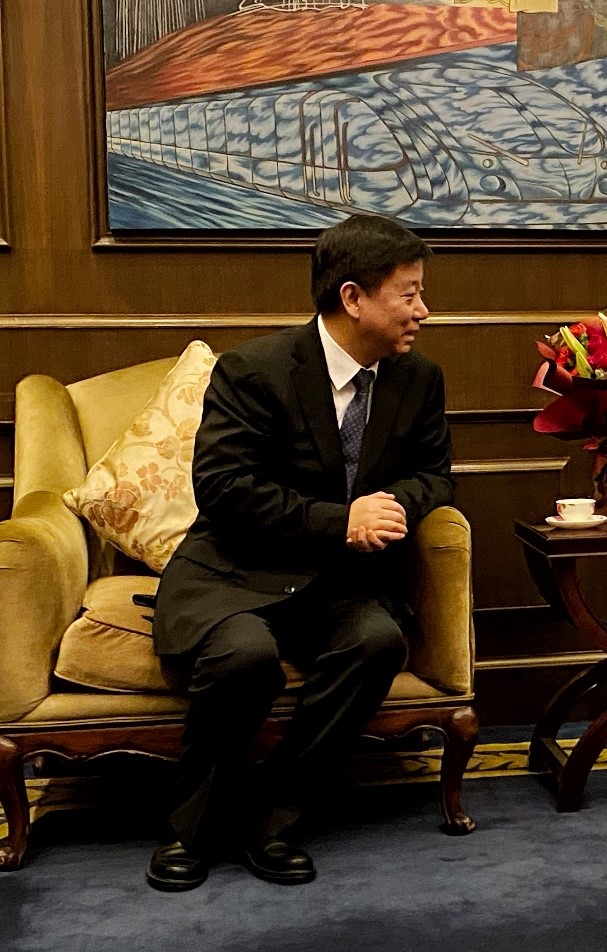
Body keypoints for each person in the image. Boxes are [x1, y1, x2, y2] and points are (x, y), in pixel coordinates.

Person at [146, 214, 454, 890]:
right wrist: (341, 521)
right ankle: (192, 830)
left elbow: (435, 475)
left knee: (376, 642)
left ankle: (271, 817)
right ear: (353, 298)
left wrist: (391, 505)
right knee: (245, 657)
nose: (423, 311)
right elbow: (224, 489)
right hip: (235, 571)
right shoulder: (254, 370)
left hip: (336, 585)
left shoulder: (417, 378)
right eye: (409, 294)